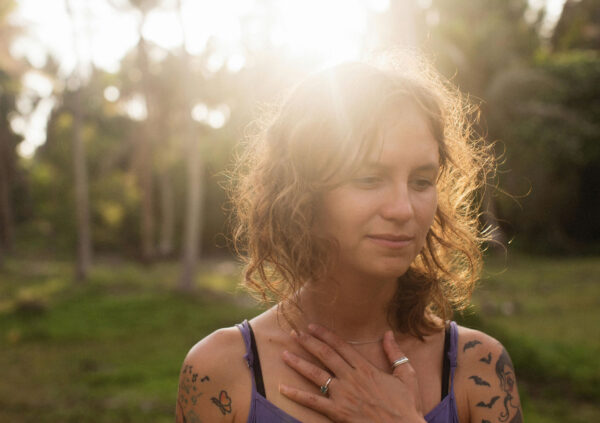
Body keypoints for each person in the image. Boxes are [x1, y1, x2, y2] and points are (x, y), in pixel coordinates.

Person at [175, 53, 523, 423]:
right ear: (303, 194)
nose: (403, 209)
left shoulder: (478, 367)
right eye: (369, 179)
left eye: (421, 181)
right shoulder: (222, 371)